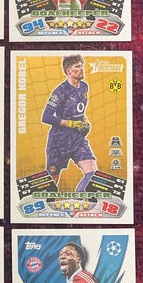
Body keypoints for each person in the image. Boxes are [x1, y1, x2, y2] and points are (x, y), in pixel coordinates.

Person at [41, 54, 96, 191]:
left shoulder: (84, 87)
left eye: (82, 66)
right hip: (59, 141)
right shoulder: (60, 91)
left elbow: (78, 110)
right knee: (51, 185)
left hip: (77, 139)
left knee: (92, 174)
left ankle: (78, 200)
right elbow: (46, 117)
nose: (82, 69)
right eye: (77, 66)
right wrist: (70, 123)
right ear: (68, 71)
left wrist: (84, 121)